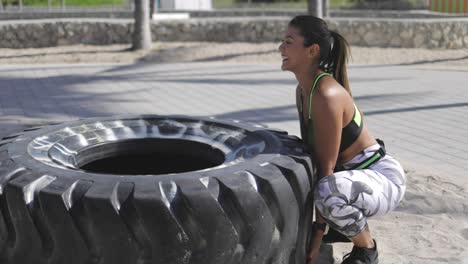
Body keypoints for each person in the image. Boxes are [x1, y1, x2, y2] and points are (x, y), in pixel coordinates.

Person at [278, 15, 406, 264]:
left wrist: (315, 238)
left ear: (312, 50)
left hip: (383, 178)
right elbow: (314, 154)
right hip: (354, 179)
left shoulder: (326, 94)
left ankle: (367, 249)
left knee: (326, 191)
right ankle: (341, 226)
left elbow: (326, 170)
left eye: (288, 42)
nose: (280, 48)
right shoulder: (304, 91)